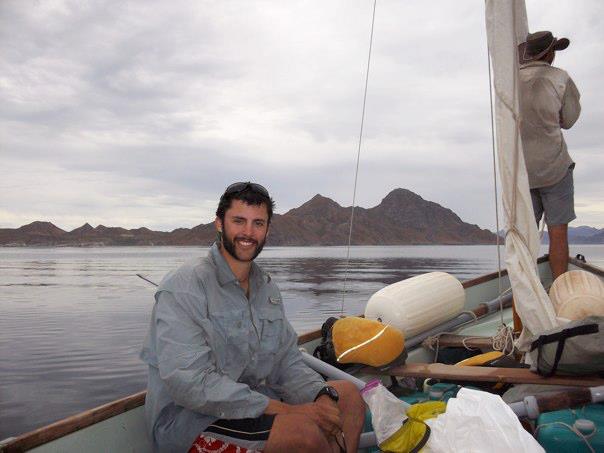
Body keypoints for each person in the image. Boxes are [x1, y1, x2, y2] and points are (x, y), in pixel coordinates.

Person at [140, 181, 365, 452]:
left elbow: (287, 362)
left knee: (349, 397)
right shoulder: (185, 286)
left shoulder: (266, 288)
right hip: (188, 422)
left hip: (252, 405)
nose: (248, 232)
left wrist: (322, 395)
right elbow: (190, 385)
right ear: (219, 224)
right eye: (239, 221)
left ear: (268, 229)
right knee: (304, 433)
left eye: (258, 223)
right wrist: (288, 411)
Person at [518, 31, 581, 280]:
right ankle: (559, 288)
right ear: (550, 53)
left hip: (523, 171)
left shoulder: (511, 82)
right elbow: (568, 120)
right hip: (555, 167)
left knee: (525, 234)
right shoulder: (561, 79)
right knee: (558, 232)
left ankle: (525, 290)